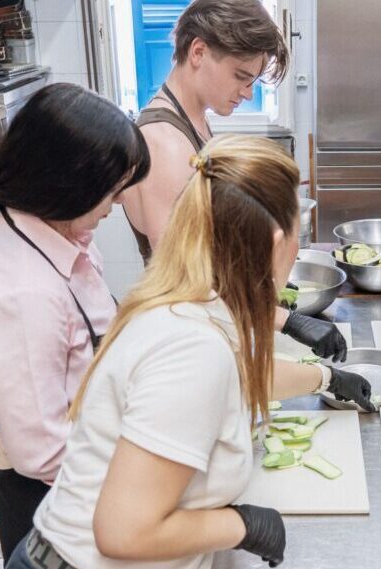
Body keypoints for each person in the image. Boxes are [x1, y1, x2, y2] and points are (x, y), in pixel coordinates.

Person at [0, 136, 373, 569]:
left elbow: (238, 377)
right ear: (273, 240)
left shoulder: (191, 303)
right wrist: (245, 524)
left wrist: (323, 376)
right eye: (301, 225)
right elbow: (125, 530)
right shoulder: (193, 348)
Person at [0, 84, 149, 563]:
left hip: (92, 469)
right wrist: (148, 480)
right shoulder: (23, 292)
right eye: (113, 188)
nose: (119, 201)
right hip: (57, 499)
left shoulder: (67, 234)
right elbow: (43, 452)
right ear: (68, 183)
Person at [119, 0, 346, 362]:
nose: (246, 91)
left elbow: (210, 242)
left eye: (252, 81)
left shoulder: (194, 122)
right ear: (198, 51)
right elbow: (186, 284)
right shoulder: (165, 144)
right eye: (241, 76)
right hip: (186, 341)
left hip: (212, 326)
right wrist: (284, 320)